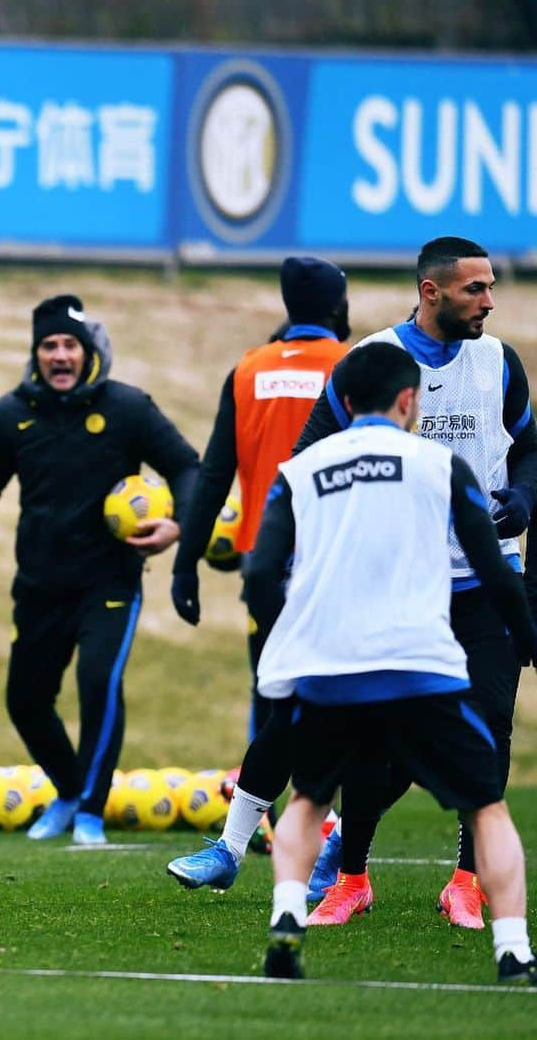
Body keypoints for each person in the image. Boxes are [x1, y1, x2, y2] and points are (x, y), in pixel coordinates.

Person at [248, 342, 537, 984]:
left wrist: (282, 636)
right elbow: (492, 565)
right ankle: (513, 949)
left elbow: (262, 570)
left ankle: (289, 916)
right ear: (409, 401)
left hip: (330, 668)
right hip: (419, 666)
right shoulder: (438, 464)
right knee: (486, 806)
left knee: (306, 800)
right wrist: (523, 633)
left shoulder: (301, 470)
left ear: (343, 403)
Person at [297, 236, 537, 927]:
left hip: (490, 577)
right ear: (431, 292)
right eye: (474, 290)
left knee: (489, 725)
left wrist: (522, 496)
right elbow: (308, 459)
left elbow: (529, 449)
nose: (488, 301)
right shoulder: (370, 362)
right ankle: (352, 877)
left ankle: (467, 880)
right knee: (378, 738)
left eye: (491, 287)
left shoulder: (499, 362)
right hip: (399, 584)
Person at [0, 294, 200, 845]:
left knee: (98, 684)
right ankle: (68, 791)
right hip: (38, 583)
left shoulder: (128, 407)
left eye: (70, 345)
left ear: (89, 353)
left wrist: (178, 525)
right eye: (49, 346)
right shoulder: (12, 412)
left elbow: (187, 467)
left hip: (108, 582)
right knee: (25, 699)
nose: (59, 356)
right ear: (36, 353)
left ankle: (91, 811)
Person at [166, 256, 349, 887]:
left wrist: (185, 566)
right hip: (339, 564)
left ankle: (257, 843)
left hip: (264, 570)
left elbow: (215, 473)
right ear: (336, 306)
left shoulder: (249, 370)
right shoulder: (353, 366)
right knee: (342, 705)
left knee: (282, 703)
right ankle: (324, 846)